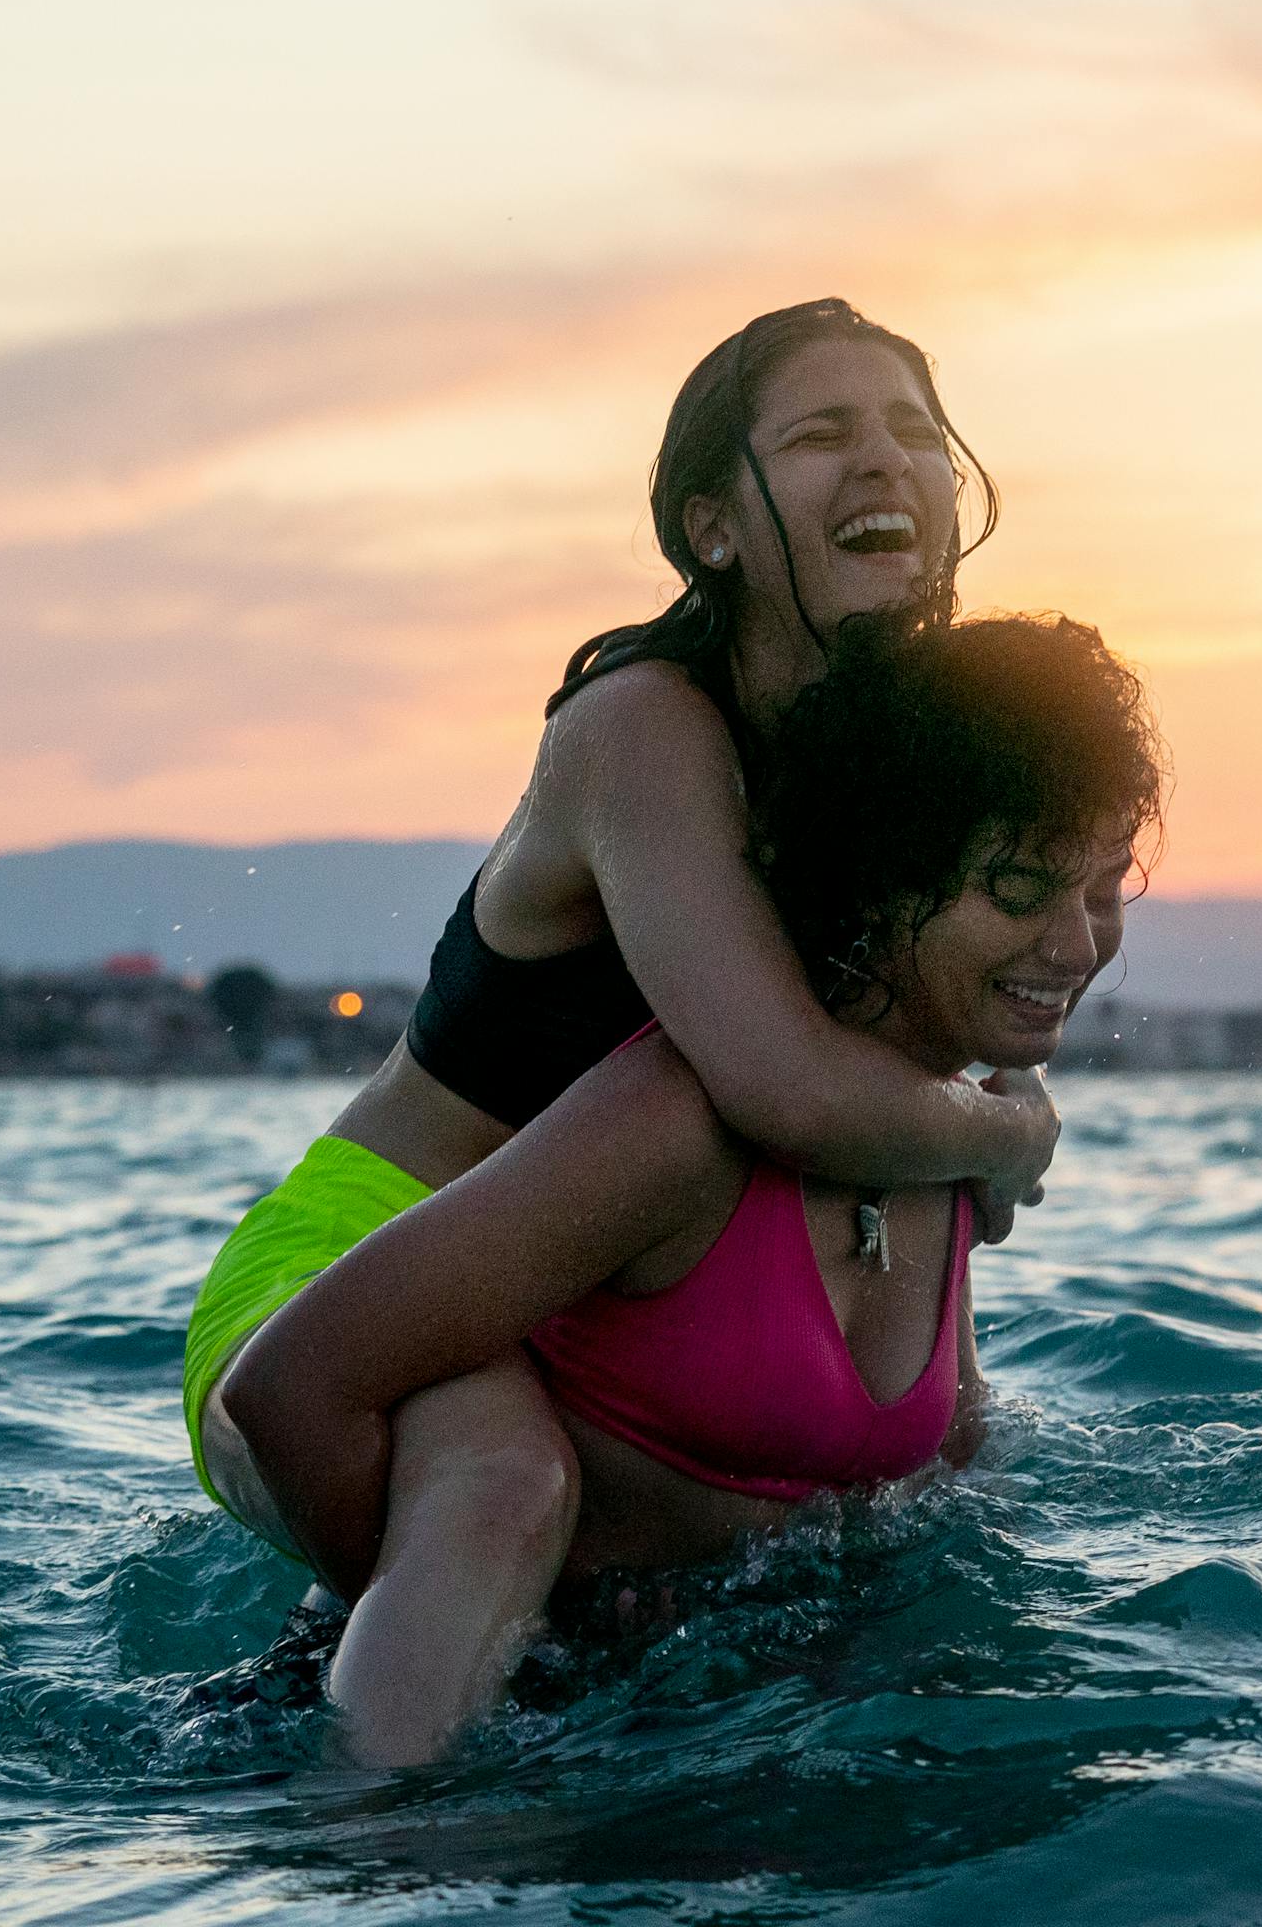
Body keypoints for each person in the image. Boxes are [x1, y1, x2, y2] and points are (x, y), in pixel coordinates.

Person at [180, 301, 1063, 1618]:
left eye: (915, 432)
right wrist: (1003, 1137)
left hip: (586, 1320)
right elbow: (796, 1093)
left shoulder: (897, 771)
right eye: (823, 435)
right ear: (711, 526)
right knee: (501, 1482)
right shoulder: (640, 731)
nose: (885, 462)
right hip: (357, 1278)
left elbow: (893, 1100)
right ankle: (347, 1803)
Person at [222, 610, 1165, 1764]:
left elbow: (941, 1479)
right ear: (882, 876)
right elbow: (293, 1388)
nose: (1075, 944)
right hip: (455, 1743)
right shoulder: (672, 1123)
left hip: (695, 1740)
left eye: (1105, 887)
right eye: (1019, 889)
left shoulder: (946, 1137)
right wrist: (498, 1627)